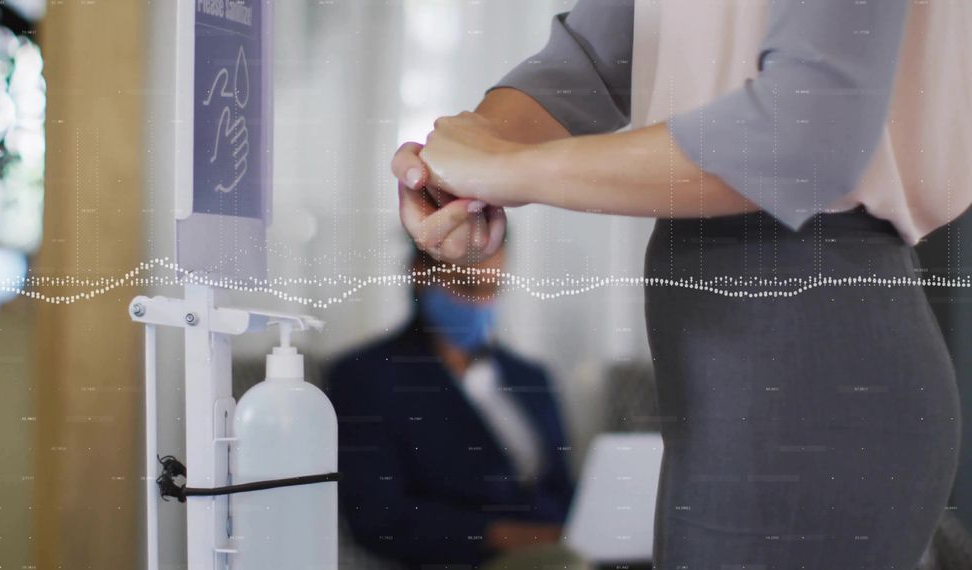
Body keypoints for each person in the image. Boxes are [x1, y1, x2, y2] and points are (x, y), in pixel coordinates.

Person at [392, 1, 968, 568]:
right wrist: (465, 157)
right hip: (735, 375)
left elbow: (804, 130)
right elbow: (594, 55)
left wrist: (503, 169)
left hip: (811, 360)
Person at [326, 244, 578, 569]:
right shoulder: (366, 376)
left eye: (492, 288)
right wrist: (517, 537)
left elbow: (562, 487)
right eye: (466, 286)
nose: (480, 303)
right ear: (421, 272)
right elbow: (379, 516)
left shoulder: (531, 377)